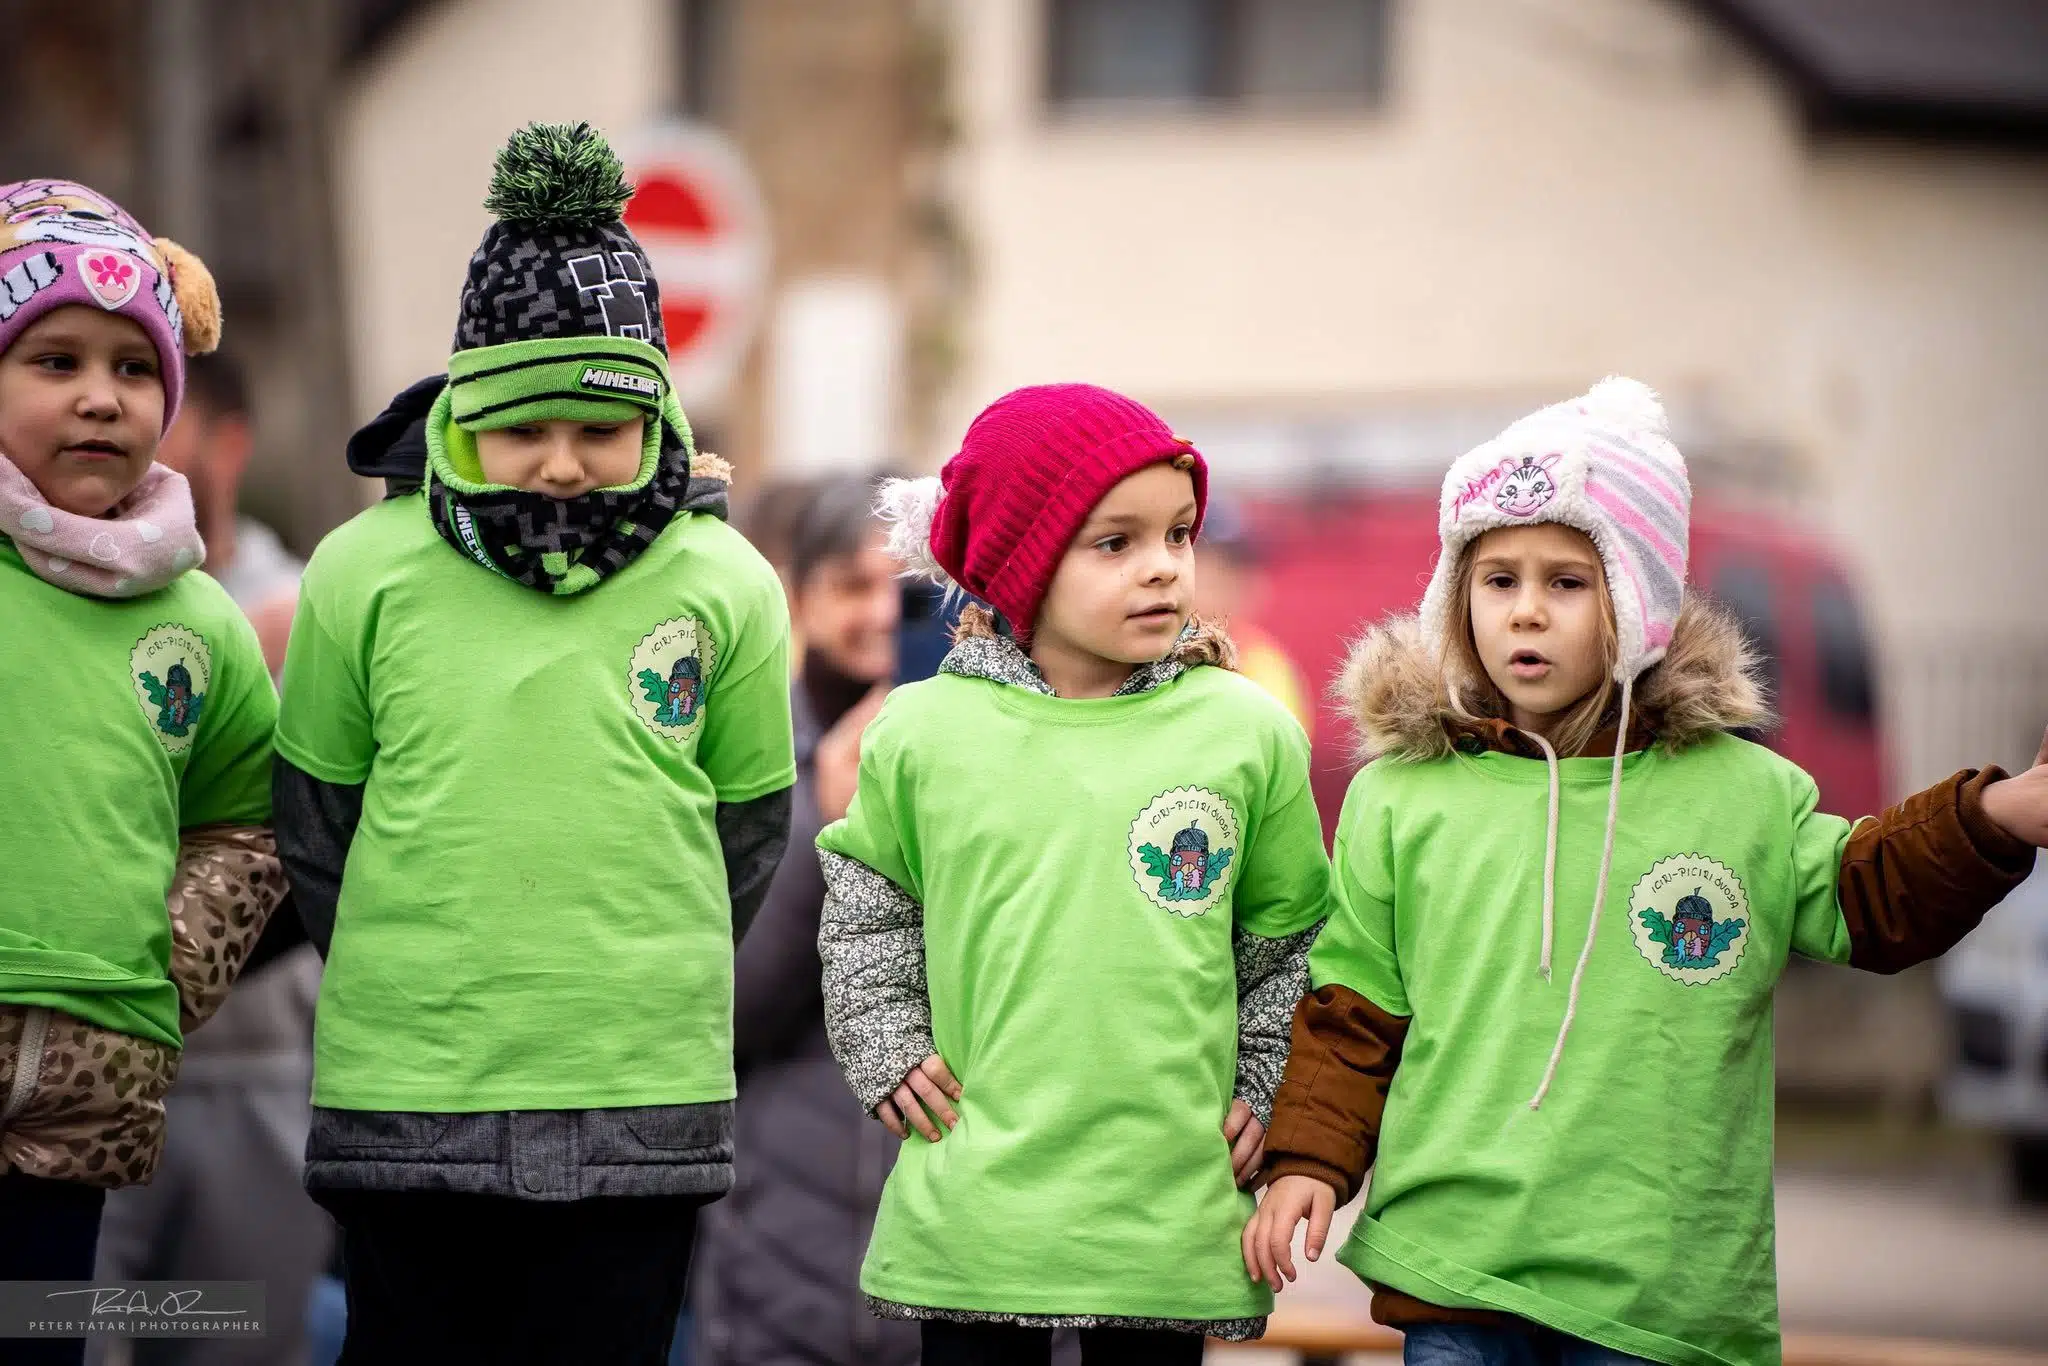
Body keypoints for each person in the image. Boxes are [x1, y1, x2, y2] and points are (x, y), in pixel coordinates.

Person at [1245, 378, 2048, 1366]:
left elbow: (1868, 896)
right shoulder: (1400, 797)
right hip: (1454, 1272)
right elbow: (1353, 1007)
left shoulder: (1741, 793)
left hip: (1659, 1297)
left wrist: (1992, 816)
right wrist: (1309, 1161)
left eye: (1566, 582)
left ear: (1638, 603)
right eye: (1496, 581)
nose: (1525, 612)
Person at [270, 123, 795, 1366]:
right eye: (522, 429)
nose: (561, 466)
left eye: (600, 430)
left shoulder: (726, 580)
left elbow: (748, 830)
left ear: (655, 415)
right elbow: (316, 825)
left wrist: (636, 961)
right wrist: (414, 958)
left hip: (642, 1097)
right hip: (407, 1093)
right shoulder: (360, 571)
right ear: (460, 413)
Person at [816, 384, 1331, 1365]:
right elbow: (871, 907)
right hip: (977, 1212)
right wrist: (884, 1040)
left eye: (1177, 534)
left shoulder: (1245, 732)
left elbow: (1293, 940)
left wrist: (1267, 1083)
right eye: (1115, 543)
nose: (1163, 567)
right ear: (1023, 564)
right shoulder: (922, 732)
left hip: (1165, 1215)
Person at [0, 178, 284, 1366]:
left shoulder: (200, 620)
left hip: (95, 1076)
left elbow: (250, 821)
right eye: (53, 360)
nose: (100, 396)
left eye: (133, 367)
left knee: (41, 1332)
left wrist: (164, 965)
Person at [92, 347, 330, 1366]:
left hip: (252, 1078)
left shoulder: (315, 607)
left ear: (226, 441)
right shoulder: (59, 597)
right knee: (60, 1328)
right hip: (72, 1075)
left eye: (153, 394)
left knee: (235, 1344)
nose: (112, 416)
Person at [690, 475, 920, 1366]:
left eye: (909, 593)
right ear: (800, 597)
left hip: (956, 1279)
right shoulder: (736, 760)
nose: (882, 615)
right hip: (777, 1273)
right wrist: (821, 825)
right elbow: (722, 1018)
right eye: (854, 586)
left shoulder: (997, 764)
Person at [1194, 498, 1313, 738]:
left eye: (1238, 570)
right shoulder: (1137, 652)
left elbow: (1280, 749)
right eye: (1217, 572)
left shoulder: (1261, 663)